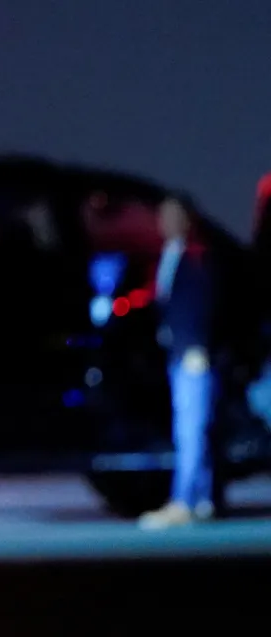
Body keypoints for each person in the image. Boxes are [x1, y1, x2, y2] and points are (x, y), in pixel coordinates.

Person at [139, 196, 219, 530]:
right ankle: (201, 499)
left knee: (190, 430)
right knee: (192, 428)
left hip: (192, 354)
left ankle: (184, 501)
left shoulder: (197, 257)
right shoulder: (167, 256)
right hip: (177, 354)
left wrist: (197, 347)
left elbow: (202, 305)